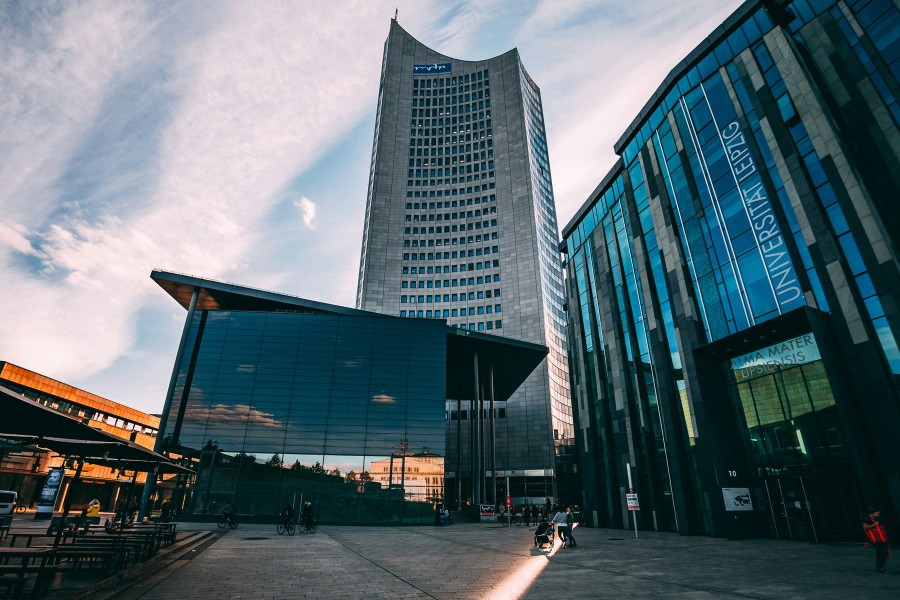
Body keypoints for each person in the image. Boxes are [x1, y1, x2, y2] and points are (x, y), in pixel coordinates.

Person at [862, 506, 889, 573]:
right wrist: (874, 524)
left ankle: (880, 567)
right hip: (875, 540)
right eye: (877, 513)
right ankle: (880, 567)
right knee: (882, 553)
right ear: (872, 513)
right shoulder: (866, 519)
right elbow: (865, 528)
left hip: (880, 539)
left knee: (882, 553)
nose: (878, 514)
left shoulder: (875, 519)